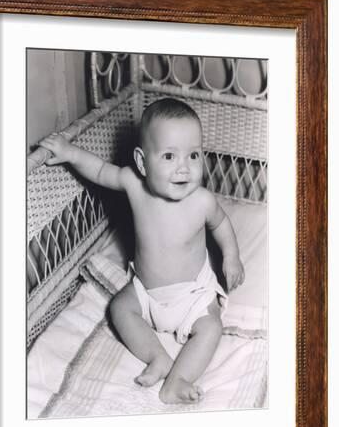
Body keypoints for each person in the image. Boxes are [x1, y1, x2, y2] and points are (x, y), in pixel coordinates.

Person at [40, 98, 244, 404]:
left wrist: (231, 256)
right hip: (146, 292)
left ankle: (179, 379)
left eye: (193, 155)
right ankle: (157, 357)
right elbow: (98, 170)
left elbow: (221, 225)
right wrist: (69, 153)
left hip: (193, 294)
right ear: (141, 162)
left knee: (212, 326)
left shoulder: (202, 201)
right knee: (120, 309)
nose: (184, 168)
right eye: (169, 156)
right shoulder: (133, 184)